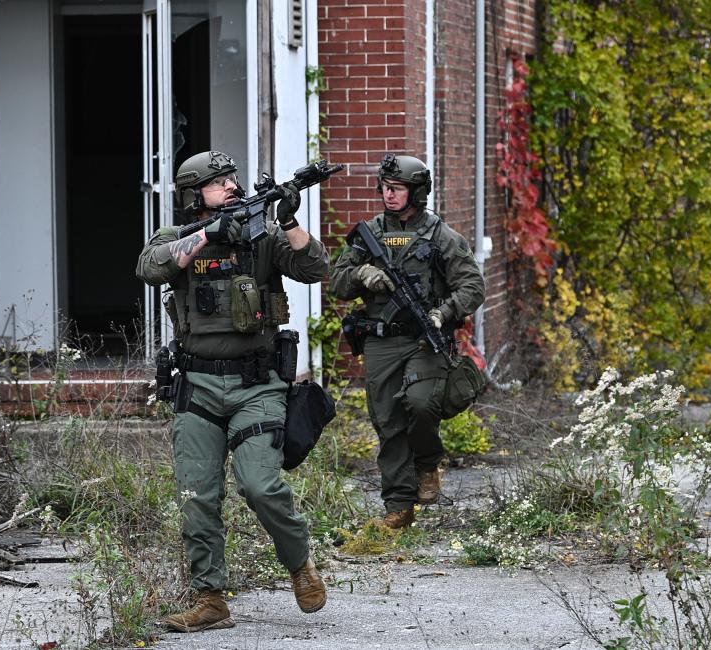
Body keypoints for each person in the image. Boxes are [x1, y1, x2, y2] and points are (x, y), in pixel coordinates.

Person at [136, 150, 330, 632]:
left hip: (255, 385)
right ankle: (210, 598)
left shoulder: (261, 237)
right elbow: (151, 267)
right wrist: (207, 236)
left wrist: (288, 221)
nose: (231, 186)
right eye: (219, 181)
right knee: (196, 495)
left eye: (232, 179)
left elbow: (315, 268)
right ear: (193, 194)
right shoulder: (177, 237)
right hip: (197, 385)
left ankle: (300, 564)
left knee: (260, 486)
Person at [328, 154, 485, 529]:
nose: (388, 194)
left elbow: (473, 286)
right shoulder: (370, 233)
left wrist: (443, 313)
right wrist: (363, 273)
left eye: (396, 189)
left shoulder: (440, 236)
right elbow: (337, 280)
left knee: (420, 403)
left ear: (417, 192)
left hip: (424, 340)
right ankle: (398, 508)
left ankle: (428, 463)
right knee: (387, 421)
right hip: (381, 340)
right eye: (384, 188)